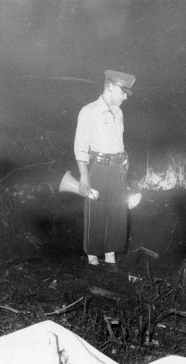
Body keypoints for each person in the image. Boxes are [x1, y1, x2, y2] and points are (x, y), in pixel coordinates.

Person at [73, 69, 136, 269]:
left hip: (118, 168)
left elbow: (119, 142)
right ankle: (92, 255)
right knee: (96, 210)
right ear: (110, 87)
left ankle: (110, 255)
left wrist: (124, 159)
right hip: (98, 168)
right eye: (123, 91)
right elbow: (80, 146)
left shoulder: (119, 112)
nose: (125, 97)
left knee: (117, 210)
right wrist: (84, 175)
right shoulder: (88, 111)